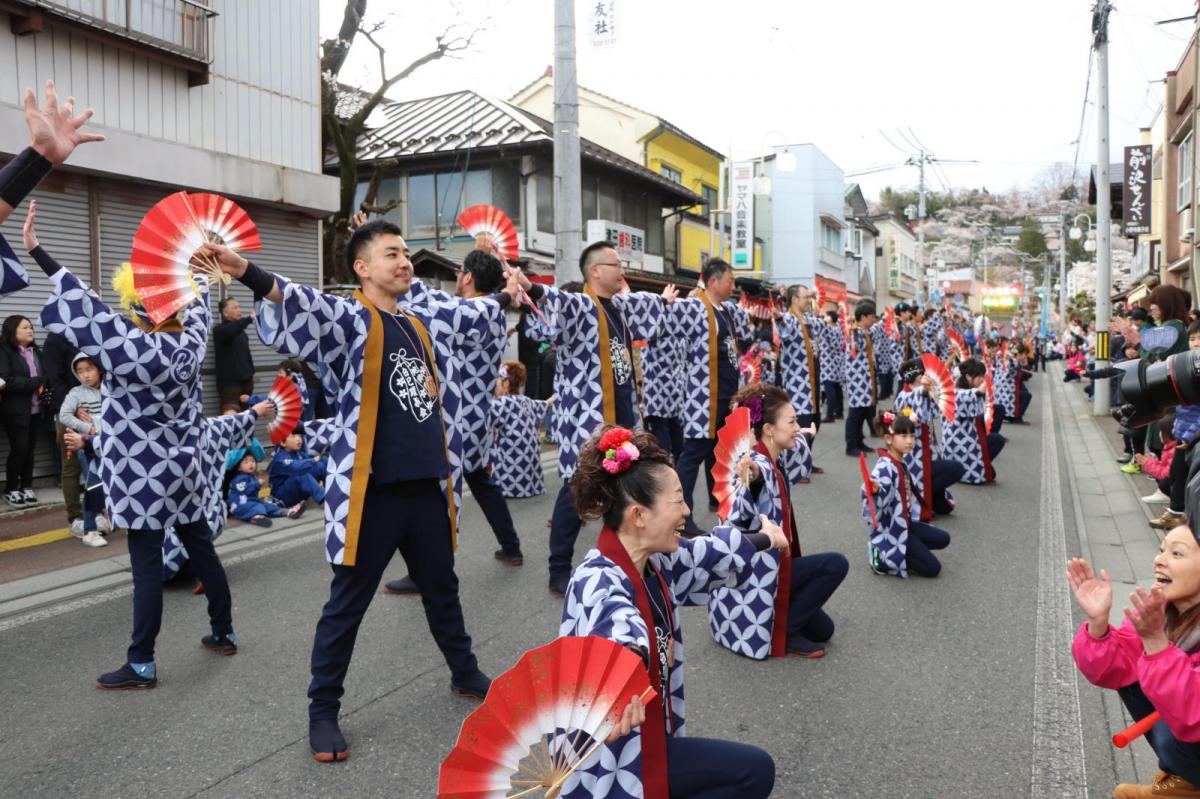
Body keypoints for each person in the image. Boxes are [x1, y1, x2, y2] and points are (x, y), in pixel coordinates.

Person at [207, 219, 517, 761]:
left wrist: (507, 293)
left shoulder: (419, 324)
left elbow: (471, 320)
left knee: (442, 588)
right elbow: (304, 302)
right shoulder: (350, 318)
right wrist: (248, 272)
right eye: (391, 253)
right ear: (362, 268)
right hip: (372, 491)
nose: (404, 262)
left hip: (426, 485)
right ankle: (322, 709)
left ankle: (464, 671)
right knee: (347, 604)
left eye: (406, 253)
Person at [31, 210, 242, 691]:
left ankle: (142, 662)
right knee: (201, 547)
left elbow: (84, 303)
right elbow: (198, 300)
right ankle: (224, 631)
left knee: (146, 565)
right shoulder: (192, 340)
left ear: (141, 311)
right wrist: (196, 262)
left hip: (142, 473)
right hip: (185, 466)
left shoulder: (131, 348)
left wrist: (38, 250)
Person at [558, 426, 782, 799]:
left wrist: (766, 538)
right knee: (752, 772)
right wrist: (626, 672)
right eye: (678, 500)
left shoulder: (655, 559)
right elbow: (617, 626)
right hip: (615, 760)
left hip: (649, 735)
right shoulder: (595, 578)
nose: (687, 511)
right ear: (638, 515)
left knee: (754, 770)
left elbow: (707, 553)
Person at [531, 241, 676, 594]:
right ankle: (558, 568)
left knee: (624, 491)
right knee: (575, 493)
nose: (622, 270)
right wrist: (531, 288)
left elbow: (646, 308)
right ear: (595, 271)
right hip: (589, 420)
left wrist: (663, 302)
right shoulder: (582, 305)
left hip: (622, 416)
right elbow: (557, 302)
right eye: (615, 264)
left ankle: (625, 560)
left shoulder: (619, 307)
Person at [708, 384, 845, 660]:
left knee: (824, 630)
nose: (796, 427)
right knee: (836, 564)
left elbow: (798, 468)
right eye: (791, 422)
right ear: (769, 429)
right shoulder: (757, 463)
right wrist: (754, 477)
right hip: (759, 574)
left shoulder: (772, 457)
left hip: (771, 565)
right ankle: (784, 633)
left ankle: (783, 622)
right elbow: (748, 495)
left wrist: (803, 435)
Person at [1069, 538, 1200, 798]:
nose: (1159, 560)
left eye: (1176, 553)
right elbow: (1113, 668)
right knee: (1135, 677)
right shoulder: (1161, 608)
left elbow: (1194, 713)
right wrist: (1098, 624)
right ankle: (1186, 782)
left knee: (1167, 729)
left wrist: (1156, 644)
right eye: (1161, 550)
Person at [668, 259, 752, 535]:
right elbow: (666, 322)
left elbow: (745, 338)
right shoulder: (694, 307)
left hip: (726, 395)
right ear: (713, 281)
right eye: (729, 281)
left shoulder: (727, 310)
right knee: (692, 455)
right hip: (703, 397)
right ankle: (681, 515)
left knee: (721, 453)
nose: (733, 286)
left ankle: (721, 502)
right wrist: (668, 302)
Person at [863, 409, 952, 578]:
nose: (910, 441)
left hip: (906, 524)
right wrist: (876, 492)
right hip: (892, 531)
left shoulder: (900, 460)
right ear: (888, 439)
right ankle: (880, 556)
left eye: (912, 436)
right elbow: (875, 498)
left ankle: (908, 550)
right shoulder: (884, 466)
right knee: (933, 568)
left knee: (943, 538)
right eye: (903, 436)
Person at [892, 358, 964, 519]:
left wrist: (930, 393)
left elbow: (933, 413)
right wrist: (924, 392)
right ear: (918, 376)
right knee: (956, 468)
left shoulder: (918, 393)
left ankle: (929, 496)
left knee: (944, 508)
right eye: (924, 373)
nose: (928, 375)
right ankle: (921, 496)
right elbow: (919, 414)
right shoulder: (903, 397)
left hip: (928, 455)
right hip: (913, 460)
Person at [1151, 322, 1200, 532]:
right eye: (1192, 339)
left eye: (1199, 339)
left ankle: (1185, 518)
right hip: (1184, 432)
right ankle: (1176, 513)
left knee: (1190, 480)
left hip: (1194, 437)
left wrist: (1190, 436)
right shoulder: (1187, 364)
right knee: (1177, 474)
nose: (1195, 343)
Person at [776, 285, 825, 479]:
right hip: (798, 385)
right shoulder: (789, 319)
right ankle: (794, 467)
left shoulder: (807, 320)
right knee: (801, 426)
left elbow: (823, 324)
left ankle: (806, 462)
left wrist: (816, 298)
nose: (809, 300)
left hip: (813, 383)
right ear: (794, 299)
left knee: (814, 423)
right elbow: (784, 325)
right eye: (805, 297)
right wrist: (778, 317)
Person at [58, 353, 107, 546]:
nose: (85, 375)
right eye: (80, 371)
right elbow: (64, 415)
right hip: (88, 446)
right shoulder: (76, 393)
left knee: (115, 484)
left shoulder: (111, 388)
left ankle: (123, 521)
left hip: (112, 445)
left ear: (99, 369)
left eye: (89, 369)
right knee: (92, 487)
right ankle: (90, 531)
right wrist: (89, 429)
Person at [0, 314, 46, 506]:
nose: (30, 330)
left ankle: (26, 486)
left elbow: (46, 378)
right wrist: (36, 382)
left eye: (31, 327)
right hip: (15, 411)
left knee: (30, 450)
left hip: (36, 410)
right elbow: (6, 381)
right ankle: (11, 488)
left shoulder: (36, 352)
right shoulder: (4, 351)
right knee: (19, 449)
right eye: (25, 327)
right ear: (13, 331)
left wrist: (44, 386)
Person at [488, 360, 552, 498]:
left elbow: (484, 418)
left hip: (511, 466)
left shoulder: (502, 403)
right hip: (531, 471)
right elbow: (545, 404)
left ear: (506, 383)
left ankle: (505, 487)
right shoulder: (526, 401)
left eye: (498, 379)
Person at [943, 358, 1004, 484]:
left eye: (983, 376)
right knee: (990, 470)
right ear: (968, 376)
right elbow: (963, 396)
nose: (982, 379)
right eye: (979, 376)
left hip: (969, 438)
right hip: (960, 443)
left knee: (997, 436)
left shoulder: (967, 390)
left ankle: (981, 465)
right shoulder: (956, 392)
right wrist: (978, 392)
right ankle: (975, 467)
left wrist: (981, 393)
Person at [44, 330, 83, 523]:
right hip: (69, 410)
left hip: (96, 405)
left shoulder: (90, 331)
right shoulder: (56, 338)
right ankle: (75, 516)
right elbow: (55, 379)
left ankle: (98, 512)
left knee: (97, 465)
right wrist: (75, 406)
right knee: (71, 464)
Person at [842, 299, 884, 456]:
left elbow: (876, 330)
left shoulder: (866, 331)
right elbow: (853, 332)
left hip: (866, 378)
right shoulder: (855, 332)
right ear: (863, 317)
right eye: (872, 317)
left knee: (863, 411)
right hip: (857, 379)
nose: (874, 320)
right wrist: (851, 323)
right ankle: (851, 445)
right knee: (855, 414)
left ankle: (859, 442)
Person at [227, 452, 300, 526]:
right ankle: (256, 518)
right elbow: (244, 489)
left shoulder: (251, 477)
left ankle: (287, 512)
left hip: (252, 501)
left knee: (267, 506)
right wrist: (257, 484)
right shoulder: (239, 478)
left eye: (253, 461)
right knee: (257, 506)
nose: (251, 464)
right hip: (241, 505)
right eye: (246, 462)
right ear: (239, 468)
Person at [213, 297, 256, 413]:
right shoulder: (219, 330)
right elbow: (231, 331)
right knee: (230, 416)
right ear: (225, 313)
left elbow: (247, 355)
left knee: (246, 416)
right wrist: (250, 318)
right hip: (230, 386)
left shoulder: (242, 333)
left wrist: (251, 373)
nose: (239, 310)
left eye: (239, 307)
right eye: (235, 307)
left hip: (247, 384)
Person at [267, 432, 326, 507]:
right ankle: (325, 499)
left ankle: (333, 490)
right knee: (300, 473)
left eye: (299, 435)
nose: (298, 439)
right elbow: (296, 467)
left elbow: (313, 462)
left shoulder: (299, 454)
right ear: (283, 443)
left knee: (320, 465)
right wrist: (313, 460)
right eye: (293, 436)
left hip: (296, 493)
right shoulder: (280, 458)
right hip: (282, 496)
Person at [1137, 415, 1177, 505]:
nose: (1159, 434)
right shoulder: (1170, 447)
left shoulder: (1174, 451)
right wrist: (1153, 461)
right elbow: (1165, 467)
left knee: (1164, 484)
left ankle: (1171, 500)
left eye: (1161, 431)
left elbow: (1165, 474)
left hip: (1177, 487)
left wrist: (1147, 463)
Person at [820, 308, 846, 422]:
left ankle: (830, 414)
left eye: (826, 315)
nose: (824, 317)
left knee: (829, 388)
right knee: (837, 387)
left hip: (828, 362)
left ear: (830, 318)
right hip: (837, 362)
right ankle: (839, 412)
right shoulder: (838, 329)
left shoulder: (829, 329)